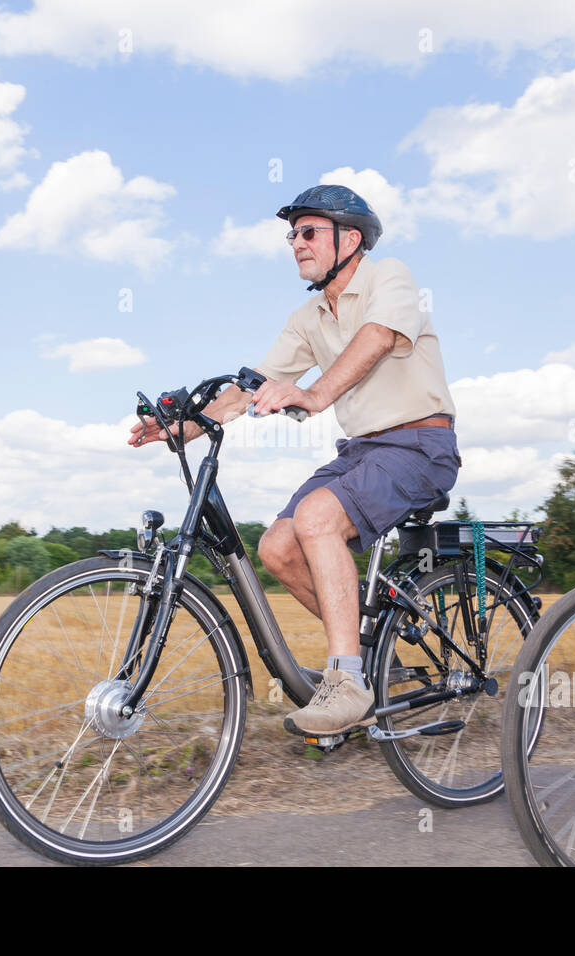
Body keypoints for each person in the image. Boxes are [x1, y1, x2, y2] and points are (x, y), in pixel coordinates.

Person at [128, 184, 461, 736]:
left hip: (421, 445)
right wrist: (183, 426)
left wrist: (314, 395)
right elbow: (255, 384)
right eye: (293, 235)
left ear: (349, 238)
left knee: (316, 519)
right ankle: (373, 658)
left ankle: (346, 678)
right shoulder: (309, 315)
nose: (296, 244)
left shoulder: (390, 278)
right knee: (278, 547)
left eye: (309, 232)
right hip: (363, 451)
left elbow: (377, 338)